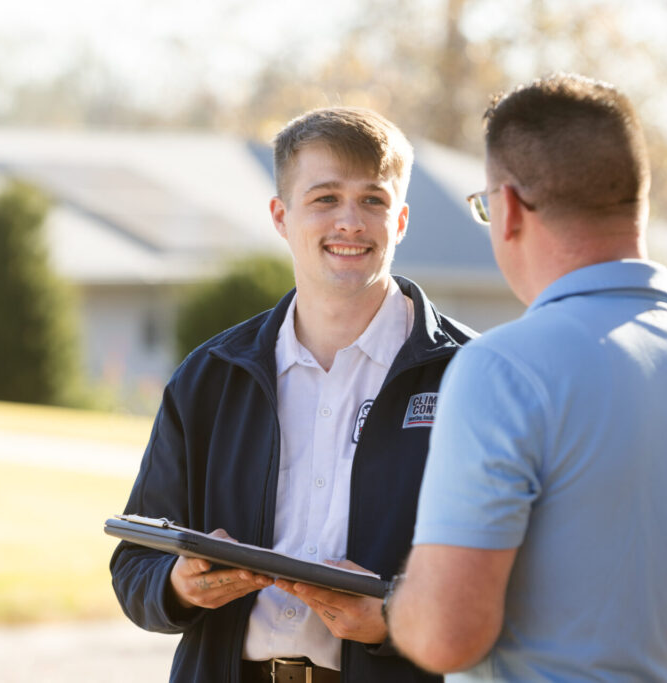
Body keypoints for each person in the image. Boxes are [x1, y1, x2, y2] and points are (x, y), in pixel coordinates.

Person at [383, 73, 667, 680]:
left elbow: (444, 637)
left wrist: (398, 602)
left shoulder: (503, 368)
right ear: (637, 201)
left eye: (485, 207)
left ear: (509, 208)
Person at [110, 106, 476, 682]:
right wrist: (176, 584)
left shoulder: (472, 376)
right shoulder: (210, 375)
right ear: (281, 216)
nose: (350, 222)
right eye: (325, 198)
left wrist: (393, 618)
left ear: (400, 220)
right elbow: (135, 564)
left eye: (373, 201)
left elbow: (509, 585)